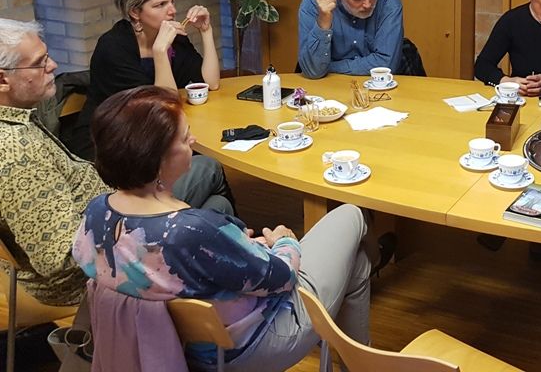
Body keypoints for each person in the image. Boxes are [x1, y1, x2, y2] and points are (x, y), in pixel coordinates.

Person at [73, 86, 371, 371]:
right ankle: (362, 362)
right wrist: (285, 240)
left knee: (356, 261)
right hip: (245, 345)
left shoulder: (97, 211)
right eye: (185, 138)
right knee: (352, 214)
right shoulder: (191, 232)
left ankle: (360, 361)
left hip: (170, 341)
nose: (193, 141)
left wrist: (236, 247)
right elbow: (282, 276)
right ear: (158, 160)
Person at [0, 19, 230, 307]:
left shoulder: (17, 127)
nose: (54, 66)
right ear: (2, 80)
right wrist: (132, 218)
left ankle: (219, 276)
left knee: (217, 207)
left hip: (110, 227)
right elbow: (59, 258)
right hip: (97, 276)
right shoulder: (18, 152)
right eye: (40, 62)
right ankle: (221, 289)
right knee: (208, 172)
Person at [69, 0, 221, 161]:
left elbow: (210, 83)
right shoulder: (113, 47)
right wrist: (160, 52)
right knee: (202, 161)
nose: (173, 11)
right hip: (110, 144)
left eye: (172, 1)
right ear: (135, 11)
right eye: (161, 4)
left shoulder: (172, 38)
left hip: (153, 135)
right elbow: (164, 106)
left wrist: (206, 31)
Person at [297, 0, 404, 78]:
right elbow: (313, 71)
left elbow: (385, 65)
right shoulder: (313, 4)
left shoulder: (388, 1)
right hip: (328, 85)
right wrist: (323, 22)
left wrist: (329, 67)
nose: (368, 4)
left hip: (377, 84)